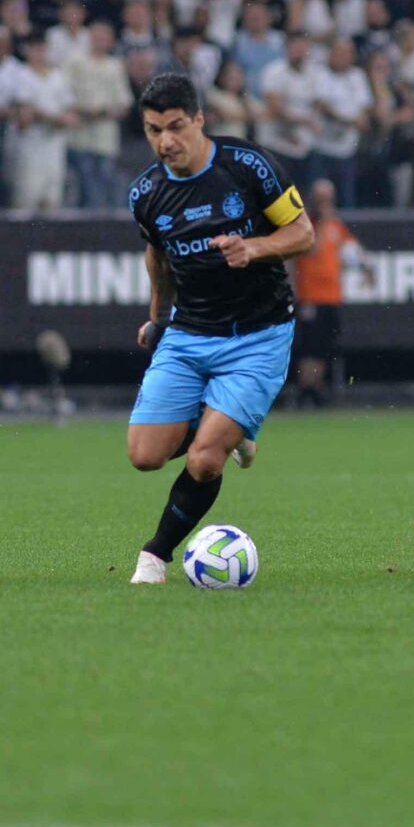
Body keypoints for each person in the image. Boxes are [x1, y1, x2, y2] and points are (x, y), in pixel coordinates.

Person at [124, 71, 316, 585]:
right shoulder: (145, 193)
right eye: (152, 130)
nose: (165, 141)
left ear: (200, 120)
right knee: (144, 457)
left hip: (259, 335)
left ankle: (154, 556)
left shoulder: (249, 166)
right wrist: (158, 319)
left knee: (206, 459)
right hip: (189, 333)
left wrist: (254, 247)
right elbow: (157, 258)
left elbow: (303, 232)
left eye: (176, 126)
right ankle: (229, 427)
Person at [290, 179, 362, 408]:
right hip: (311, 295)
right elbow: (313, 250)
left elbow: (352, 250)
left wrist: (366, 266)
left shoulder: (335, 225)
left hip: (331, 295)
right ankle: (305, 388)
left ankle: (316, 388)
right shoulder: (307, 225)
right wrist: (323, 221)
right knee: (309, 345)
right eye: (321, 199)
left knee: (323, 346)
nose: (325, 204)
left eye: (328, 199)